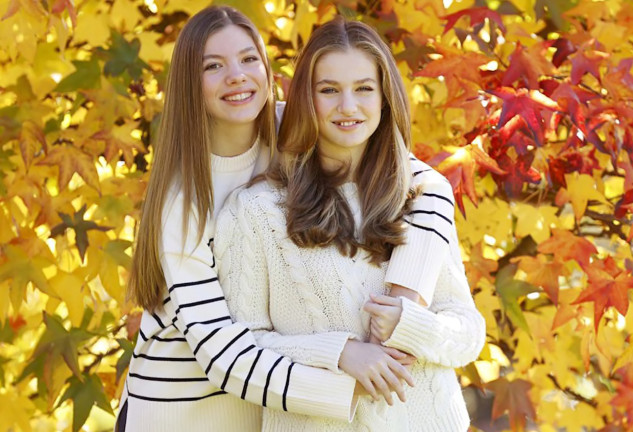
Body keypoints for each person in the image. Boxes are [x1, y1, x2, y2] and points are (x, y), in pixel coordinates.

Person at [117, 5, 454, 431]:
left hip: (266, 409)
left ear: (267, 68)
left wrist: (407, 297)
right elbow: (221, 353)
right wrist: (348, 374)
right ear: (189, 84)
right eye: (213, 65)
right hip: (182, 410)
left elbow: (424, 183)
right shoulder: (184, 203)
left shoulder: (293, 128)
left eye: (248, 59)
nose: (236, 75)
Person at [214, 17, 486, 431]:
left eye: (363, 89)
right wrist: (342, 353)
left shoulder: (419, 198)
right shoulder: (256, 211)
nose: (348, 107)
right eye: (329, 91)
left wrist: (411, 325)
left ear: (384, 98)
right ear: (306, 99)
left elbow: (467, 331)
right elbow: (244, 352)